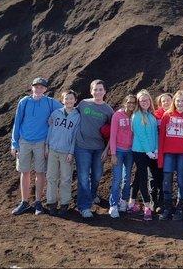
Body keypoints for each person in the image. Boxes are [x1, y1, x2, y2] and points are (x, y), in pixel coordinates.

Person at [10, 77, 62, 216]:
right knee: (24, 171)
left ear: (45, 89)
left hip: (41, 143)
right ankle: (24, 202)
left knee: (40, 172)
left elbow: (66, 109)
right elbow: (17, 122)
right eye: (36, 86)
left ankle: (38, 202)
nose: (38, 89)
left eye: (41, 87)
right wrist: (14, 143)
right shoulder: (24, 102)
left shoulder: (51, 103)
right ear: (32, 87)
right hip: (24, 141)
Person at [74, 79, 114, 218]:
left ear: (105, 91)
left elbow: (112, 133)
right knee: (83, 176)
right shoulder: (83, 103)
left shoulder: (108, 110)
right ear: (91, 91)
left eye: (100, 89)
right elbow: (71, 114)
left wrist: (106, 150)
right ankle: (84, 206)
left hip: (99, 148)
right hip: (82, 146)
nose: (98, 92)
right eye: (95, 89)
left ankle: (92, 193)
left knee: (97, 175)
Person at [157, 90, 183, 221]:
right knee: (167, 180)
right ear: (174, 101)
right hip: (168, 153)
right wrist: (161, 157)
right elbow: (161, 137)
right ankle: (167, 206)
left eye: (182, 101)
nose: (180, 103)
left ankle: (180, 207)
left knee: (181, 181)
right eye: (178, 100)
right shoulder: (167, 116)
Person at [45, 90, 80, 217]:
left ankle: (64, 204)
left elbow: (75, 136)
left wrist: (71, 152)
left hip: (66, 152)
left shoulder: (77, 116)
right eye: (66, 98)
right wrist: (47, 146)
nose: (69, 101)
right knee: (51, 177)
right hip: (53, 150)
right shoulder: (55, 113)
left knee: (65, 178)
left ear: (75, 101)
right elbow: (50, 129)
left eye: (71, 98)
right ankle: (51, 203)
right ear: (62, 100)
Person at [129, 89, 158, 221]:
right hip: (140, 152)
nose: (144, 102)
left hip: (151, 152)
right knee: (143, 178)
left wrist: (156, 149)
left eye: (146, 100)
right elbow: (141, 135)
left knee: (138, 177)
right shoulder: (137, 116)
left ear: (149, 101)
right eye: (141, 101)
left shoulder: (151, 115)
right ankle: (147, 205)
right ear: (138, 103)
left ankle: (131, 202)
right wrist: (148, 151)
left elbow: (155, 134)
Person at [108, 94, 136, 218]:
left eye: (133, 103)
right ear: (125, 102)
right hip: (119, 150)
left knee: (127, 178)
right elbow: (112, 135)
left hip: (130, 151)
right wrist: (113, 153)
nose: (131, 105)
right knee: (117, 179)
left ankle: (123, 201)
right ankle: (113, 204)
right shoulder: (117, 115)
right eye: (129, 102)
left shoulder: (135, 116)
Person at [150, 92, 172, 212]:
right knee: (154, 177)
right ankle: (154, 201)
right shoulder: (154, 116)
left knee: (166, 177)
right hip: (154, 150)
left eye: (168, 100)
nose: (166, 103)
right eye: (163, 101)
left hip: (168, 151)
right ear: (160, 103)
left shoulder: (174, 115)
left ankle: (163, 202)